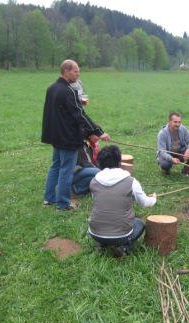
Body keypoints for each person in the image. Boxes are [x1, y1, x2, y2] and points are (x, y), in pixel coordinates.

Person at [42, 59, 110, 210]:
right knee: (66, 169)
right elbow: (80, 115)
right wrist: (99, 132)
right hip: (68, 138)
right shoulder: (69, 91)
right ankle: (63, 203)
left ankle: (49, 198)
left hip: (56, 136)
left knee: (55, 166)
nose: (78, 74)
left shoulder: (51, 88)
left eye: (78, 71)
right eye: (75, 71)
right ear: (66, 72)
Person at [88, 145, 157, 257]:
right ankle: (124, 247)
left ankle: (101, 244)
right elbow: (144, 202)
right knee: (139, 223)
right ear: (119, 161)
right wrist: (153, 199)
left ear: (99, 162)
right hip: (121, 234)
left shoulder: (94, 181)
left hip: (95, 232)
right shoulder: (131, 181)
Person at [71, 130, 101, 195]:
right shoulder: (80, 144)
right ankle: (76, 188)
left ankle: (79, 188)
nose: (98, 137)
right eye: (96, 135)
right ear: (90, 135)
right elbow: (84, 163)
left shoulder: (91, 144)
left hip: (83, 170)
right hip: (75, 172)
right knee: (99, 173)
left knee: (96, 177)